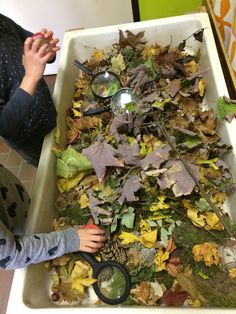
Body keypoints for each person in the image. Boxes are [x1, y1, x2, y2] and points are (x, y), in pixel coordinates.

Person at [0, 164, 106, 269]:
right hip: (19, 232)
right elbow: (12, 256)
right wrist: (71, 240)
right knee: (28, 231)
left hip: (17, 206)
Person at [0, 13, 59, 167]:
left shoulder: (2, 22)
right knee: (54, 167)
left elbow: (29, 43)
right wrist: (31, 76)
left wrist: (44, 49)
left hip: (47, 109)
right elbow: (5, 126)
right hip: (31, 137)